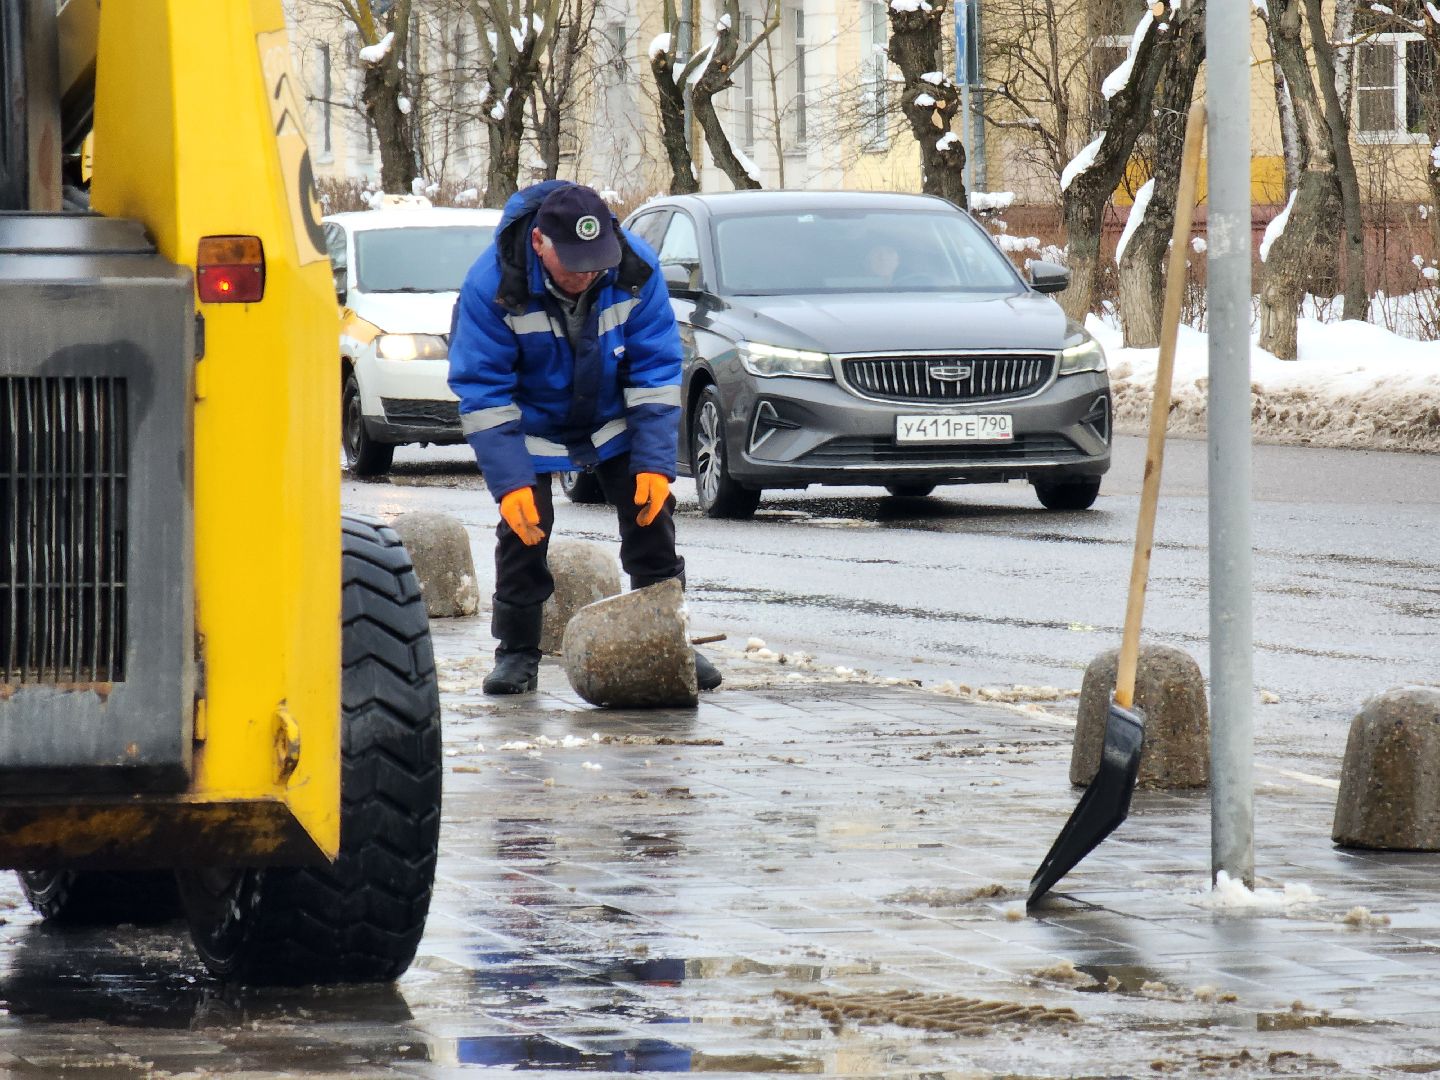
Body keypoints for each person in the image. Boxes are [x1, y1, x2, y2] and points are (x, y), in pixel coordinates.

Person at [448, 180, 722, 696]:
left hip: (612, 413)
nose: (584, 276)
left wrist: (655, 465)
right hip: (530, 422)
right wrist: (511, 484)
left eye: (594, 264)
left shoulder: (635, 268)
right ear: (538, 244)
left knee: (651, 518)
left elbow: (657, 371)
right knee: (525, 529)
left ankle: (669, 636)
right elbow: (484, 393)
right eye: (572, 265)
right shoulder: (492, 285)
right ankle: (516, 652)